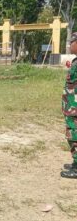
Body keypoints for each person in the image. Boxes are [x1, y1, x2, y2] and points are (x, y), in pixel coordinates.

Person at [61, 32, 77, 179]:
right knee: (72, 134)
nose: (70, 45)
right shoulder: (76, 61)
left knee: (75, 134)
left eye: (72, 42)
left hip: (75, 108)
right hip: (72, 106)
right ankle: (75, 162)